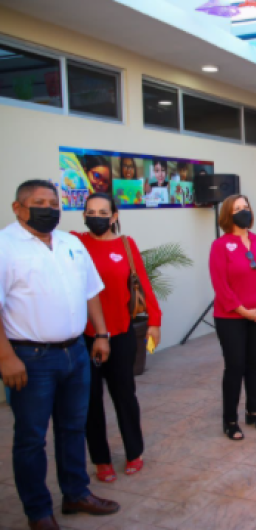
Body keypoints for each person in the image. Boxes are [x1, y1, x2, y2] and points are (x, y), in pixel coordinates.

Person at [0, 180, 120, 530]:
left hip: (76, 354)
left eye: (54, 203)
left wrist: (100, 335)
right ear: (18, 208)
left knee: (73, 428)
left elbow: (91, 291)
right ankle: (38, 512)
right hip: (30, 359)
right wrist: (6, 358)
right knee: (31, 438)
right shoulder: (5, 246)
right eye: (39, 202)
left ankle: (75, 494)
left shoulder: (71, 243)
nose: (49, 208)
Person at [71, 193, 162, 482]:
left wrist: (154, 322)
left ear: (114, 216)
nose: (96, 216)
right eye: (90, 211)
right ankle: (101, 460)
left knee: (124, 396)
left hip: (121, 333)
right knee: (90, 400)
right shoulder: (74, 243)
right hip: (85, 336)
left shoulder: (126, 244)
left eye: (102, 211)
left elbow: (142, 283)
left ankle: (134, 452)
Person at [209, 194, 256, 440]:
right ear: (228, 215)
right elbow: (220, 284)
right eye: (237, 208)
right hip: (232, 317)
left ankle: (254, 411)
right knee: (235, 366)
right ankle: (230, 420)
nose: (243, 211)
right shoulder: (220, 245)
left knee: (254, 364)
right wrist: (242, 311)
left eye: (246, 207)